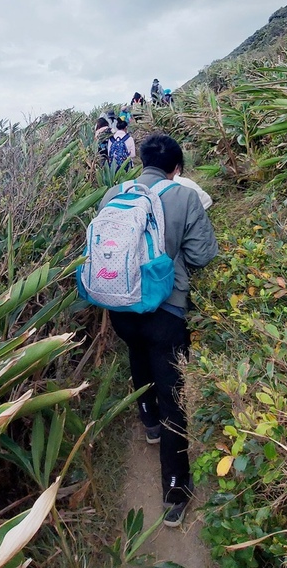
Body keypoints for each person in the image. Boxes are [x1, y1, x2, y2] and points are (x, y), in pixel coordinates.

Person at [99, 134, 218, 527]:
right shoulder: (183, 197)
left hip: (120, 305)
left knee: (137, 352)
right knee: (174, 395)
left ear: (142, 162)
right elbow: (202, 255)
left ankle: (147, 420)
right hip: (166, 311)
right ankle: (174, 488)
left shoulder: (114, 195)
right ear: (177, 168)